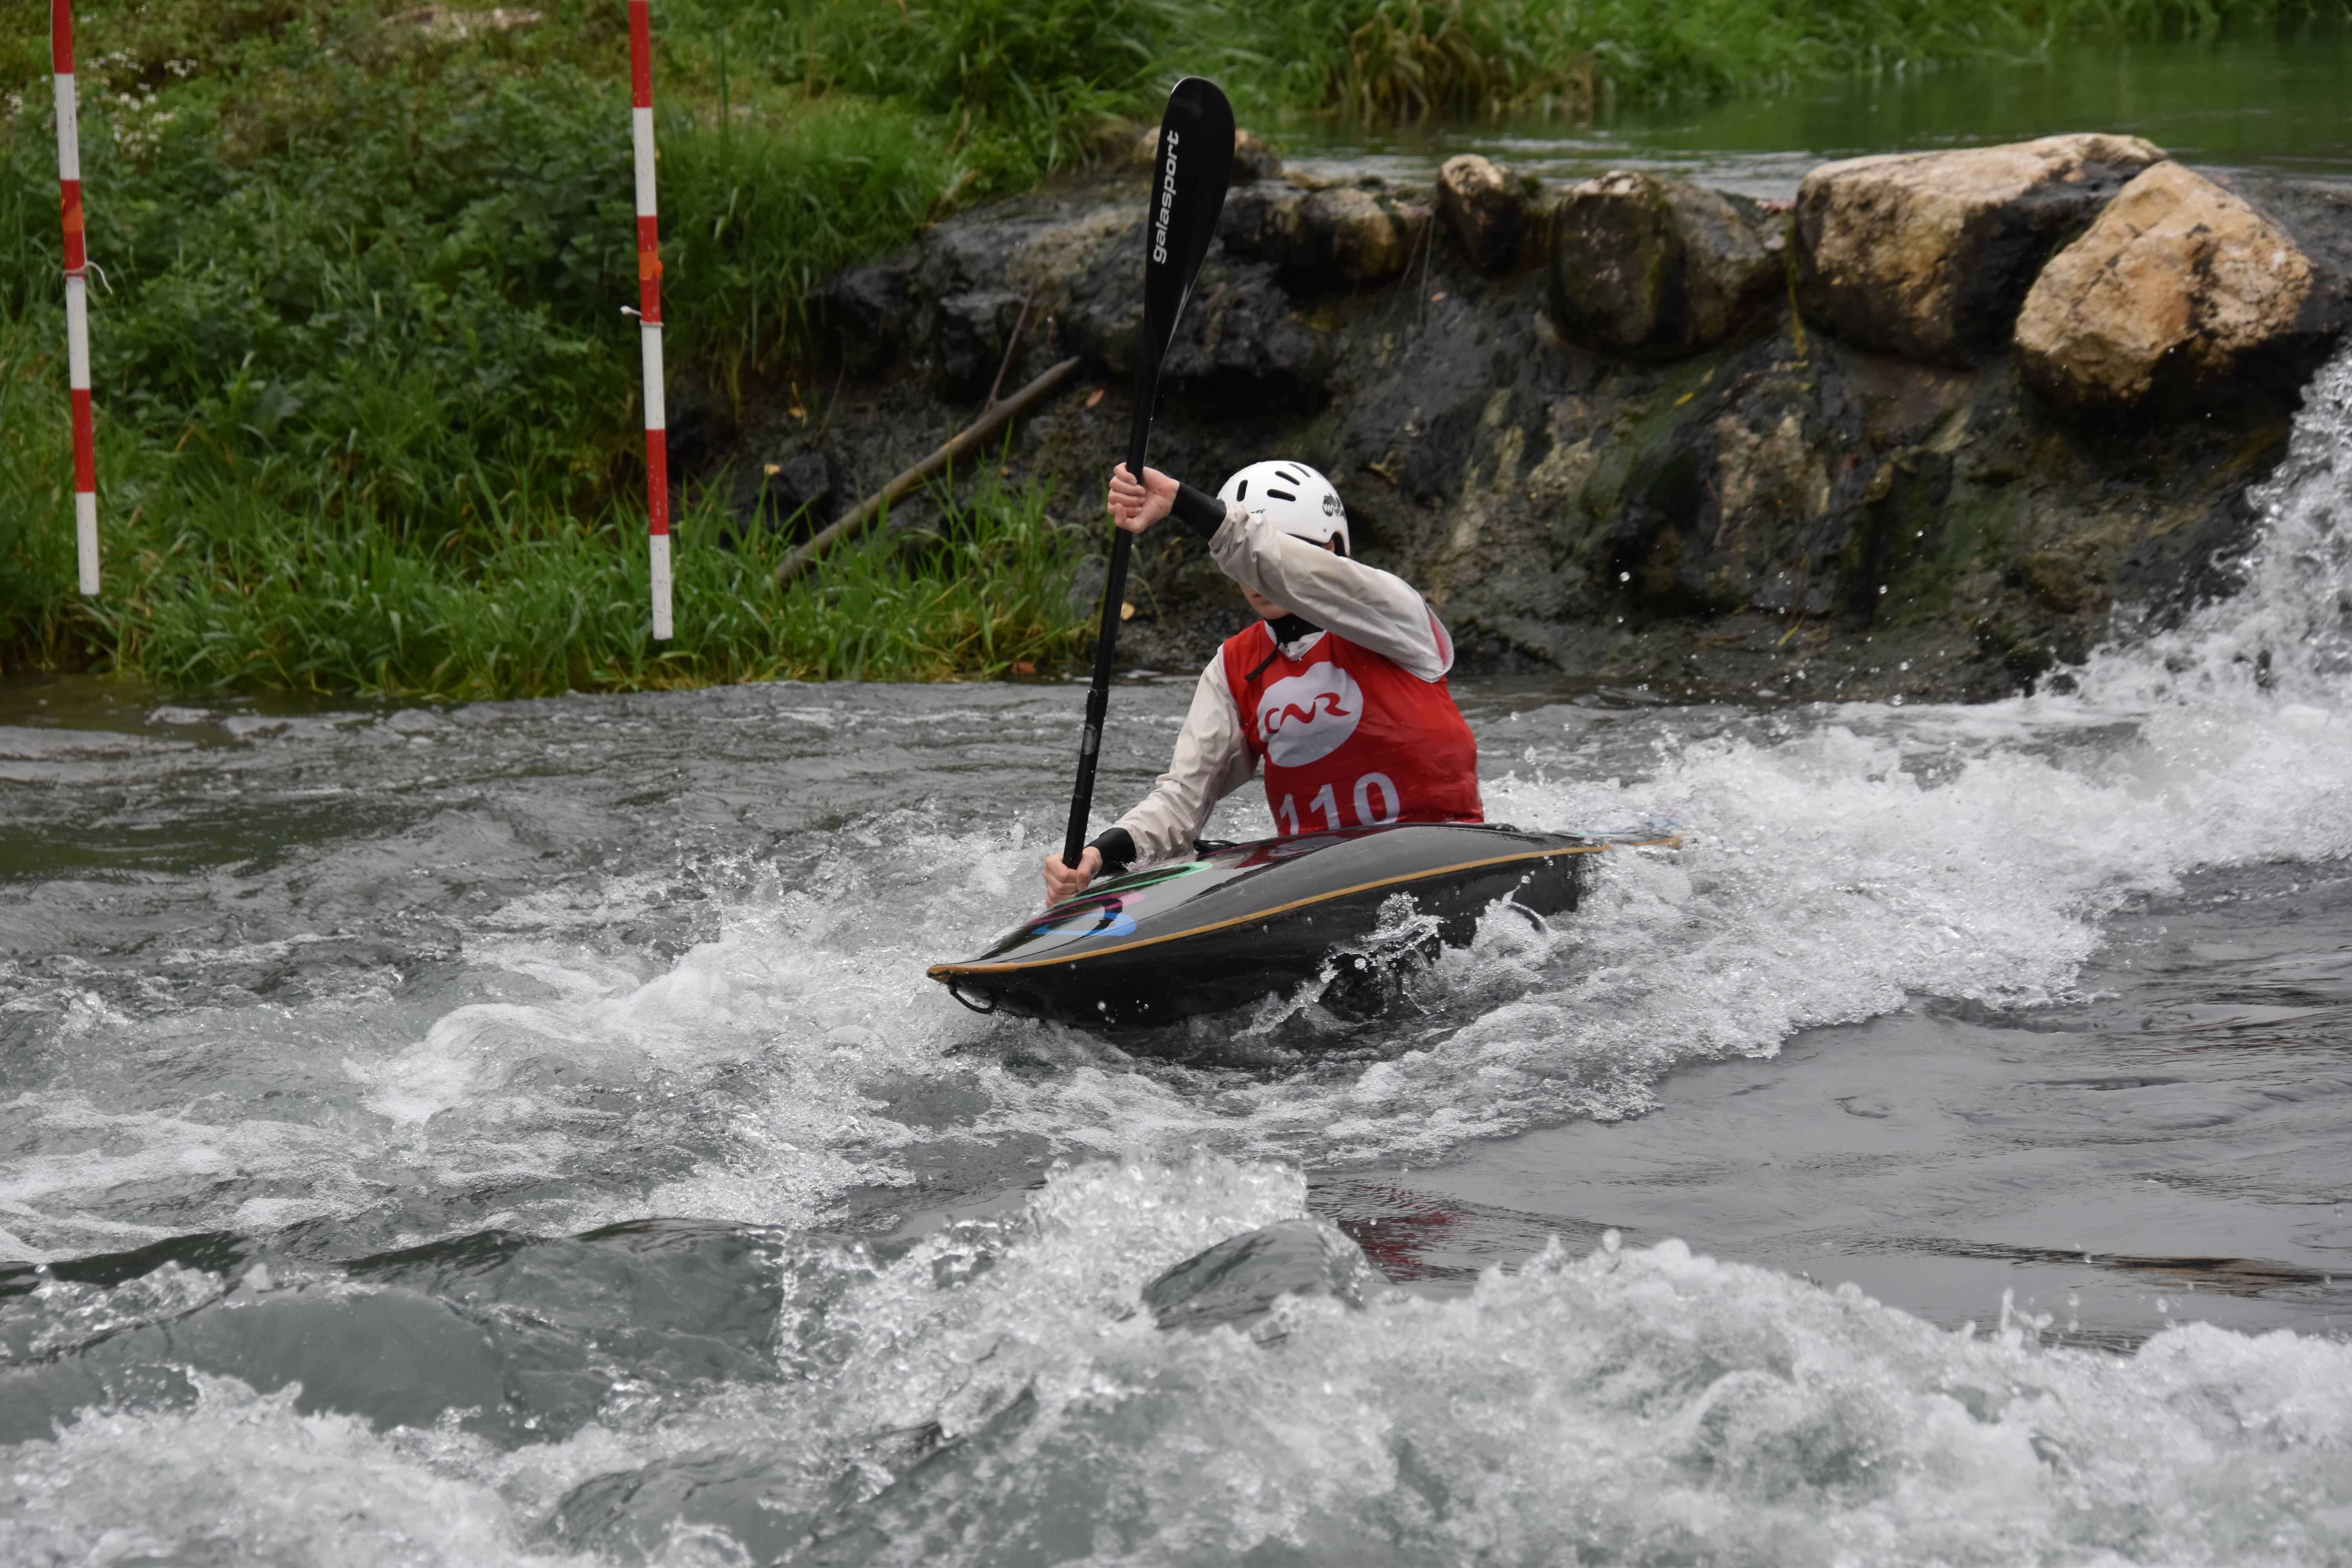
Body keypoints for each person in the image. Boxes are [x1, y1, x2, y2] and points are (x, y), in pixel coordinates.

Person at [1042, 459, 1483, 903]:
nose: (1254, 576)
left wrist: (1182, 503)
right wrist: (1097, 856)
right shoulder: (1234, 666)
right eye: (1243, 566)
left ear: (1332, 549)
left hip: (1440, 851)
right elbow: (1181, 803)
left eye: (1279, 551)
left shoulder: (1395, 615)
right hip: (1320, 875)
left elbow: (1270, 558)